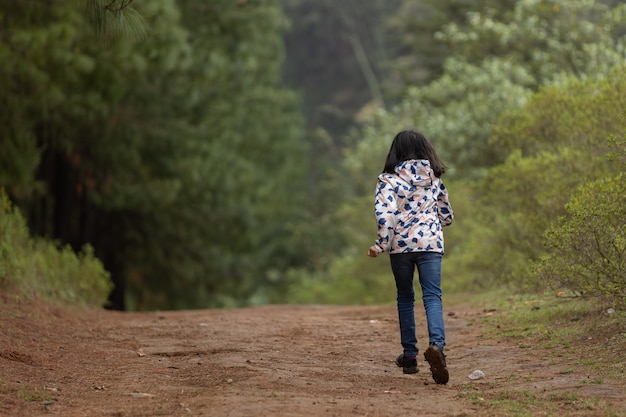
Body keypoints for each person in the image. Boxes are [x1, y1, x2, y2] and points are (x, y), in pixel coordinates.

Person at [367, 130, 454, 384]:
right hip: (430, 244)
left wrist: (380, 244)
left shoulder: (387, 180)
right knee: (432, 296)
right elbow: (447, 215)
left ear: (395, 152)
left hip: (401, 247)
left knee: (406, 298)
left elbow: (386, 214)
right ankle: (437, 346)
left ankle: (410, 357)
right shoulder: (434, 179)